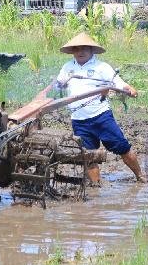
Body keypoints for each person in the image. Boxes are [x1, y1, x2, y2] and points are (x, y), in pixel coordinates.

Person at [55, 32, 143, 183]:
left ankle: (140, 176)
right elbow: (58, 85)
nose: (80, 52)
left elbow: (117, 82)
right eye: (77, 48)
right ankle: (96, 187)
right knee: (88, 156)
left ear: (91, 50)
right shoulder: (67, 67)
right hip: (79, 120)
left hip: (101, 116)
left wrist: (128, 88)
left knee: (122, 147)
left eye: (84, 48)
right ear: (73, 51)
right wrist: (59, 85)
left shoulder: (101, 67)